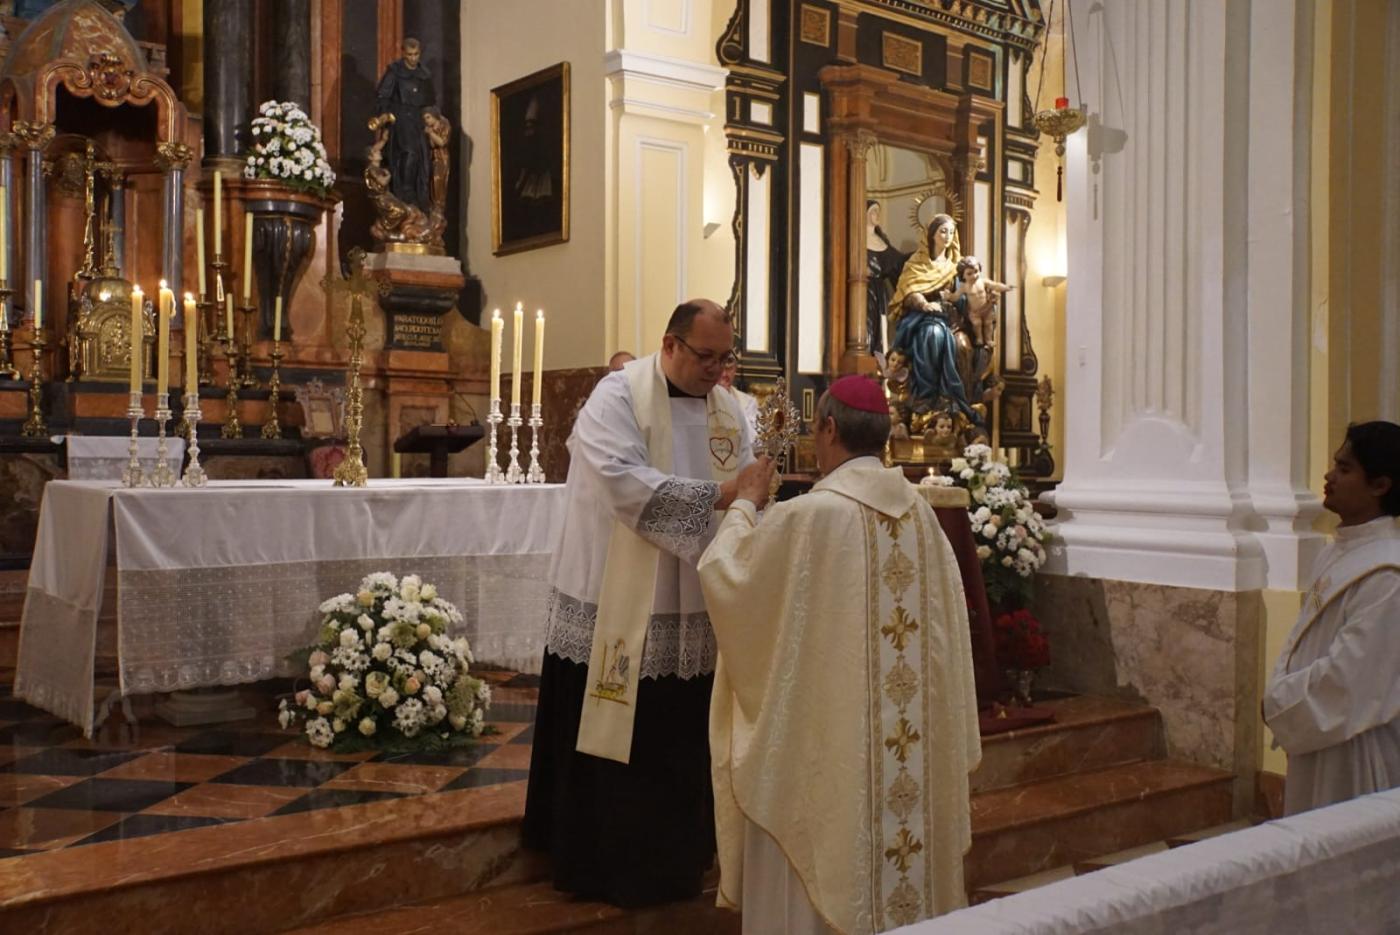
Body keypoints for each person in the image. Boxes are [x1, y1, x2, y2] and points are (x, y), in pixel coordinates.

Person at [698, 374, 981, 933]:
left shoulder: (810, 517)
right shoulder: (924, 518)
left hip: (831, 761)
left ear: (828, 427)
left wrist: (745, 506)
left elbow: (726, 577)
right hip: (910, 763)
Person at [523, 300, 772, 907]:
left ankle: (684, 854)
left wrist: (751, 505)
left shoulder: (733, 411)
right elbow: (622, 482)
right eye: (705, 356)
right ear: (670, 344)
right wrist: (725, 494)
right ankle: (603, 865)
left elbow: (752, 489)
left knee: (682, 732)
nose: (716, 370)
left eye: (724, 358)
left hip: (697, 598)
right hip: (619, 596)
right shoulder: (617, 396)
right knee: (619, 732)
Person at [1264, 421, 1400, 815]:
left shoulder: (1387, 574)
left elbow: (1350, 681)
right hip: (1319, 737)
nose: (1329, 476)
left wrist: (1278, 703)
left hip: (1357, 748)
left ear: (1380, 485)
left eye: (1344, 469)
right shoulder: (1337, 552)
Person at [889, 214, 977, 425]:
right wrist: (924, 304)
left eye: (951, 232)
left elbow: (965, 295)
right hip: (923, 318)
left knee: (963, 345)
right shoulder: (917, 262)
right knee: (932, 334)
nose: (947, 237)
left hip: (952, 320)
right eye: (942, 231)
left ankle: (955, 401)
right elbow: (907, 291)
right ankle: (926, 398)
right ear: (931, 234)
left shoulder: (956, 266)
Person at [372, 38, 436, 212]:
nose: (413, 58)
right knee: (409, 152)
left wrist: (432, 119)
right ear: (403, 53)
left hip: (418, 119)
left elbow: (431, 101)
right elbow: (383, 96)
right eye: (409, 54)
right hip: (400, 118)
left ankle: (417, 197)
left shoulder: (425, 74)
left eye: (416, 54)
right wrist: (385, 115)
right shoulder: (395, 72)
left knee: (423, 160)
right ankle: (405, 192)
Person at [941, 255, 1012, 348]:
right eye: (969, 274)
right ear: (962, 275)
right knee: (976, 324)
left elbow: (995, 285)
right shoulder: (964, 287)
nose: (974, 276)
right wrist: (949, 296)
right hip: (974, 312)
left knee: (988, 324)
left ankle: (988, 339)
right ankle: (979, 338)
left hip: (987, 308)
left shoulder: (983, 281)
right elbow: (956, 297)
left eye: (976, 271)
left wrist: (1005, 287)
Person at [866, 201, 907, 357]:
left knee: (880, 327)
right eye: (874, 211)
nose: (878, 215)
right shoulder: (857, 239)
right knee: (867, 325)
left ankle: (878, 358)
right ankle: (868, 355)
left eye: (879, 211)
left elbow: (898, 263)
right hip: (864, 290)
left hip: (880, 290)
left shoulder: (882, 240)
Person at [718, 355, 759, 436]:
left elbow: (754, 440)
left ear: (735, 369)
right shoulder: (701, 400)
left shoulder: (748, 403)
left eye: (729, 369)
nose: (724, 375)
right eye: (720, 370)